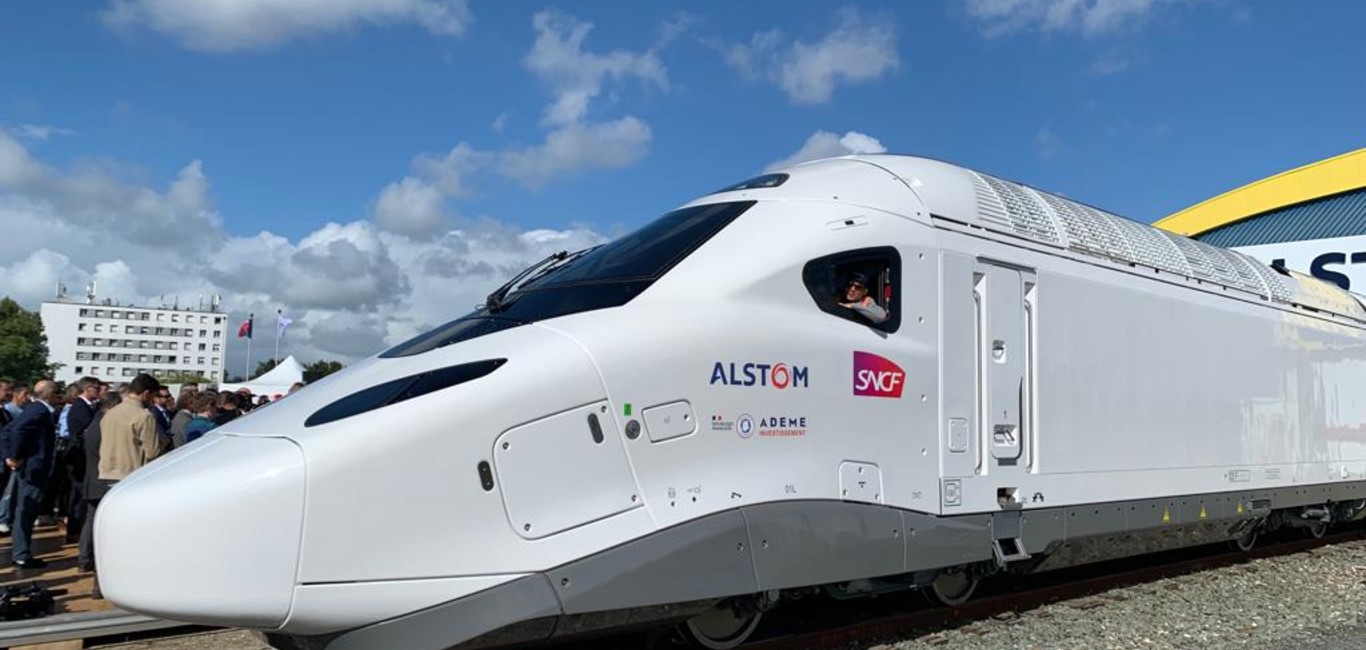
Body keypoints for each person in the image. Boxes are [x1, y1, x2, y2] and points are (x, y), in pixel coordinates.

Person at [4, 379, 60, 568]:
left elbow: (9, 430)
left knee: (25, 511)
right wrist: (15, 456)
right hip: (34, 469)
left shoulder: (33, 408)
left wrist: (12, 456)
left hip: (30, 467)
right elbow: (16, 430)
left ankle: (21, 552)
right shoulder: (39, 410)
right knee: (26, 512)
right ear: (51, 395)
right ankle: (21, 554)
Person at [79, 392, 122, 578]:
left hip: (93, 478)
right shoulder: (104, 425)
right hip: (101, 480)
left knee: (91, 520)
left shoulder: (96, 423)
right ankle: (87, 559)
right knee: (93, 522)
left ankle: (84, 559)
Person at [97, 374, 163, 484]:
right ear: (146, 394)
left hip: (106, 471)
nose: (153, 401)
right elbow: (152, 452)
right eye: (154, 396)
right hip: (132, 474)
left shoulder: (110, 414)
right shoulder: (144, 416)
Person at [62, 377, 101, 544]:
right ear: (87, 388)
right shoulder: (80, 407)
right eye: (96, 388)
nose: (99, 391)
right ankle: (74, 530)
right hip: (79, 457)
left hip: (83, 457)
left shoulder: (87, 406)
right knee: (78, 495)